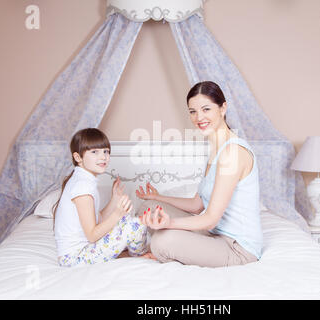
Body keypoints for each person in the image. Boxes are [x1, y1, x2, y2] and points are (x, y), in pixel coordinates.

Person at [136, 81, 263, 267]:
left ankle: (168, 251)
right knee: (148, 206)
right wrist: (158, 196)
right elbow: (197, 205)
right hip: (214, 235)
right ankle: (178, 249)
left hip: (237, 248)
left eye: (206, 109)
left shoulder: (232, 153)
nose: (199, 117)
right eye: (193, 111)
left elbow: (210, 219)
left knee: (161, 241)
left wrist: (168, 224)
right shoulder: (216, 149)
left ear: (223, 108)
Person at [53, 128, 154, 267]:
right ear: (78, 158)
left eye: (106, 151)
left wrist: (114, 199)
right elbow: (92, 235)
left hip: (80, 253)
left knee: (126, 221)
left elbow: (97, 219)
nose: (103, 157)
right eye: (95, 152)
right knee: (136, 224)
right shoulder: (82, 187)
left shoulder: (82, 180)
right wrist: (117, 214)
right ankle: (139, 256)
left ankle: (129, 255)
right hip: (75, 258)